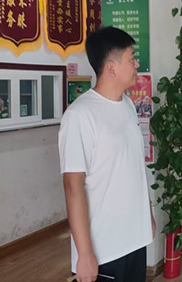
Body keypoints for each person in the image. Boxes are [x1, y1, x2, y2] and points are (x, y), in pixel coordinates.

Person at [59, 26, 155, 282]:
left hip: (134, 240)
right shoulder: (80, 115)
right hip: (105, 249)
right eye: (131, 58)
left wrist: (147, 215)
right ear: (112, 67)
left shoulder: (128, 105)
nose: (136, 64)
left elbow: (134, 168)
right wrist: (85, 253)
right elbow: (73, 186)